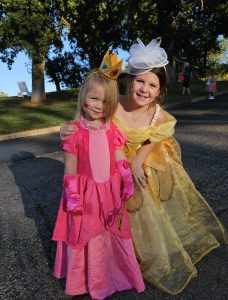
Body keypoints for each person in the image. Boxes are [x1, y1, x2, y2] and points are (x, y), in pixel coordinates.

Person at [59, 38, 228, 295]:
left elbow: (158, 135)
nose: (144, 89)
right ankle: (119, 253)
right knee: (115, 210)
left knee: (145, 209)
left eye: (152, 85)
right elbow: (92, 117)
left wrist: (137, 161)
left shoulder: (157, 113)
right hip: (114, 166)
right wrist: (67, 127)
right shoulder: (115, 104)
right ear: (129, 80)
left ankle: (145, 252)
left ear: (159, 91)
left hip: (140, 163)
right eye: (140, 81)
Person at [52, 49, 145, 299]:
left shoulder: (111, 129)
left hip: (110, 192)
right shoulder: (73, 131)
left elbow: (118, 156)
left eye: (104, 102)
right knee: (86, 232)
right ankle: (84, 281)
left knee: (112, 232)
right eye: (93, 98)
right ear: (83, 95)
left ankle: (114, 273)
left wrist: (126, 178)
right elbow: (70, 166)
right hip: (84, 195)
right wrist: (72, 195)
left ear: (111, 104)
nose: (97, 106)